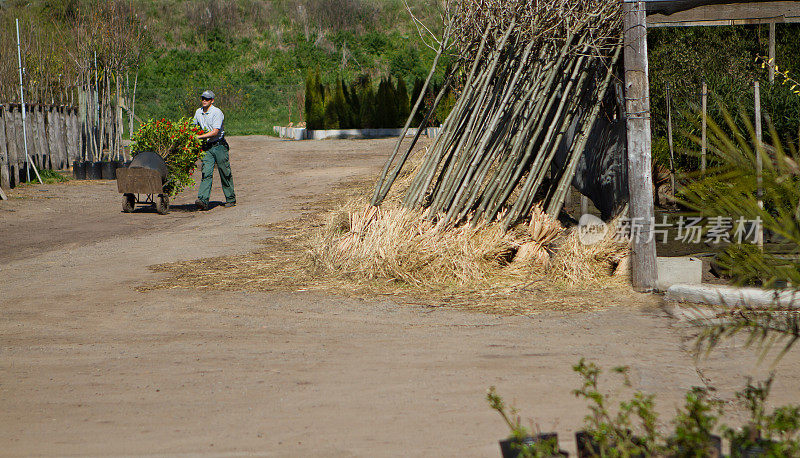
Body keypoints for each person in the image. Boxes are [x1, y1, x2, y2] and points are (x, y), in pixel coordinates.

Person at [193, 90, 236, 210]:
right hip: (207, 147)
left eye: (207, 99)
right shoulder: (198, 112)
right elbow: (194, 126)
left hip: (219, 146)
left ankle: (230, 198)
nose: (204, 101)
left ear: (212, 100)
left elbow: (215, 131)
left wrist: (199, 137)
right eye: (203, 98)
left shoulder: (217, 112)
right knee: (206, 172)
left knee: (224, 171)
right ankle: (203, 200)